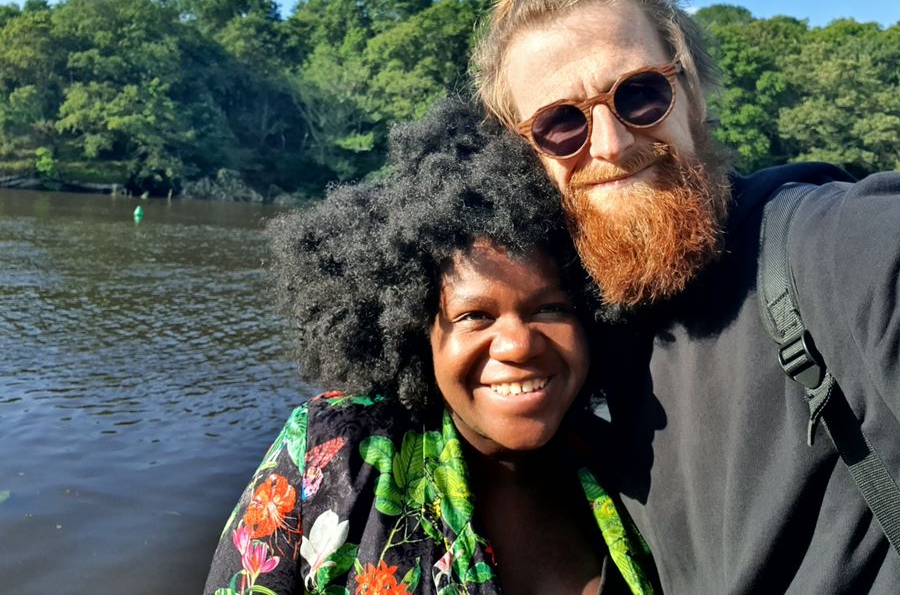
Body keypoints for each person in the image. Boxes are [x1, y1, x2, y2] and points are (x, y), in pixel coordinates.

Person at [469, 0, 900, 593]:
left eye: (640, 93)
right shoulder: (568, 333)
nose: (610, 143)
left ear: (690, 95)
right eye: (562, 125)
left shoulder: (849, 242)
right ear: (524, 157)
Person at [202, 98, 658, 595]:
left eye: (551, 308)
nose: (517, 345)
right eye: (474, 316)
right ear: (416, 329)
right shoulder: (335, 455)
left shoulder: (634, 470)